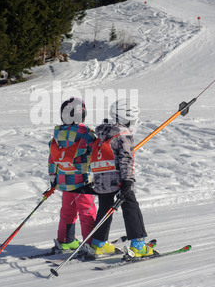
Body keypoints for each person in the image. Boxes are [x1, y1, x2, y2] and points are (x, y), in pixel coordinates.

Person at [90, 98, 153, 257]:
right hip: (118, 179)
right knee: (131, 207)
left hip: (101, 180)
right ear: (128, 116)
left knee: (105, 208)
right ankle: (138, 245)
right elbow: (125, 159)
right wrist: (127, 181)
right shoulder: (124, 135)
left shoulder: (103, 132)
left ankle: (98, 243)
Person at [48, 97, 97, 250]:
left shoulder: (57, 135)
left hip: (64, 180)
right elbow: (95, 153)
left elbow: (52, 158)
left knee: (67, 211)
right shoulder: (87, 134)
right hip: (82, 182)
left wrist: (53, 177)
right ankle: (91, 243)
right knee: (87, 212)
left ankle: (65, 240)